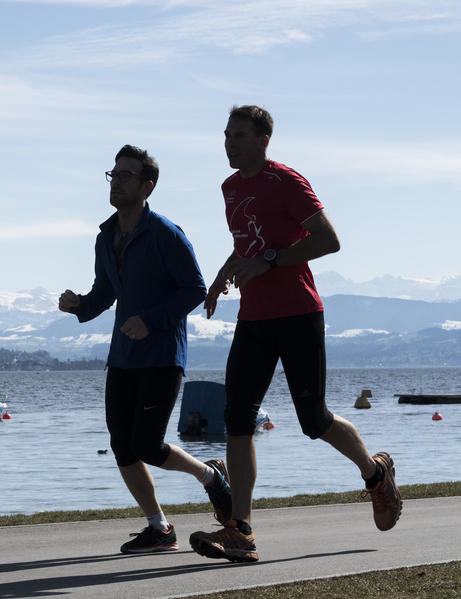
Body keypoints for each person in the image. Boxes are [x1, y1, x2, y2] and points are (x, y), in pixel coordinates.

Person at [191, 105, 403, 563]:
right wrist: (222, 275)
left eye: (240, 136)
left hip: (298, 315)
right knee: (237, 417)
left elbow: (328, 240)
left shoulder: (286, 181)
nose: (230, 143)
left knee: (314, 419)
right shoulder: (230, 188)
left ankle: (375, 474)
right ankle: (241, 530)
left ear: (264, 140)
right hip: (253, 319)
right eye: (226, 135)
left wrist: (268, 260)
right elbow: (245, 242)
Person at [59, 144, 232, 554]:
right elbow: (106, 291)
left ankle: (210, 476)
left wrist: (151, 320)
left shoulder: (166, 234)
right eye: (113, 175)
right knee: (122, 444)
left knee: (148, 445)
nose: (116, 182)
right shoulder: (106, 235)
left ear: (146, 186)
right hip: (122, 358)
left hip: (161, 357)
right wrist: (80, 304)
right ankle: (159, 527)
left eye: (126, 176)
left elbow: (193, 289)